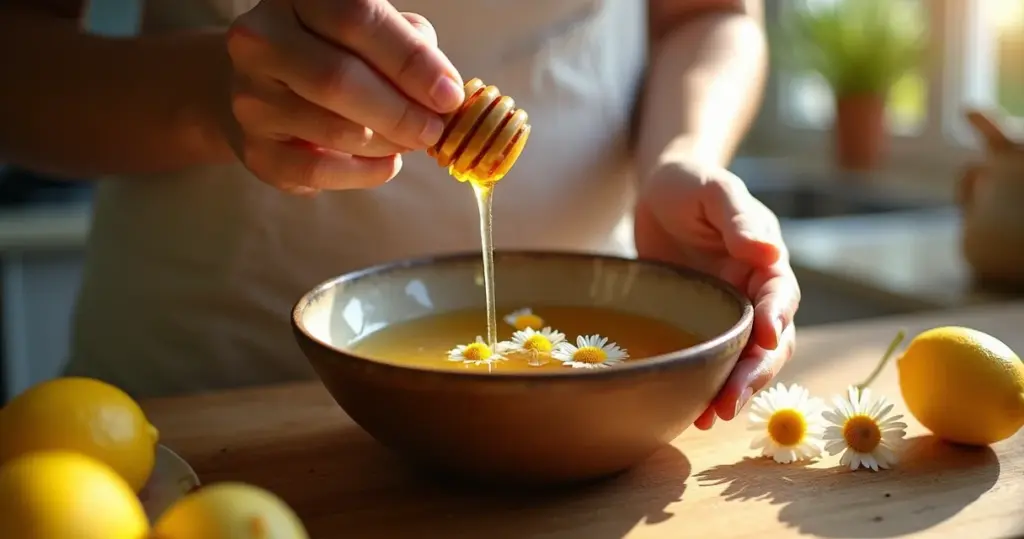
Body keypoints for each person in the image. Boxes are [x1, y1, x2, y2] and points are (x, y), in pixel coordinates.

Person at [0, 0, 799, 430]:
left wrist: (681, 155)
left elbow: (709, 13)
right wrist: (213, 95)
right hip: (211, 402)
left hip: (586, 397)